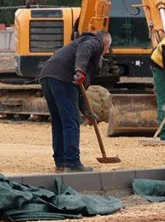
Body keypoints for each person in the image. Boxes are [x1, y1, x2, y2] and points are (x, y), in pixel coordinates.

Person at [39, 30, 112, 173]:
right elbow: (85, 49)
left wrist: (86, 110)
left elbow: (79, 90)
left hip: (47, 76)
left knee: (59, 122)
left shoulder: (77, 45)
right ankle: (72, 163)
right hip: (63, 78)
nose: (104, 53)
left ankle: (61, 162)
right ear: (105, 43)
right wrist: (80, 70)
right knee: (71, 122)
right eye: (106, 49)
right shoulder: (95, 42)